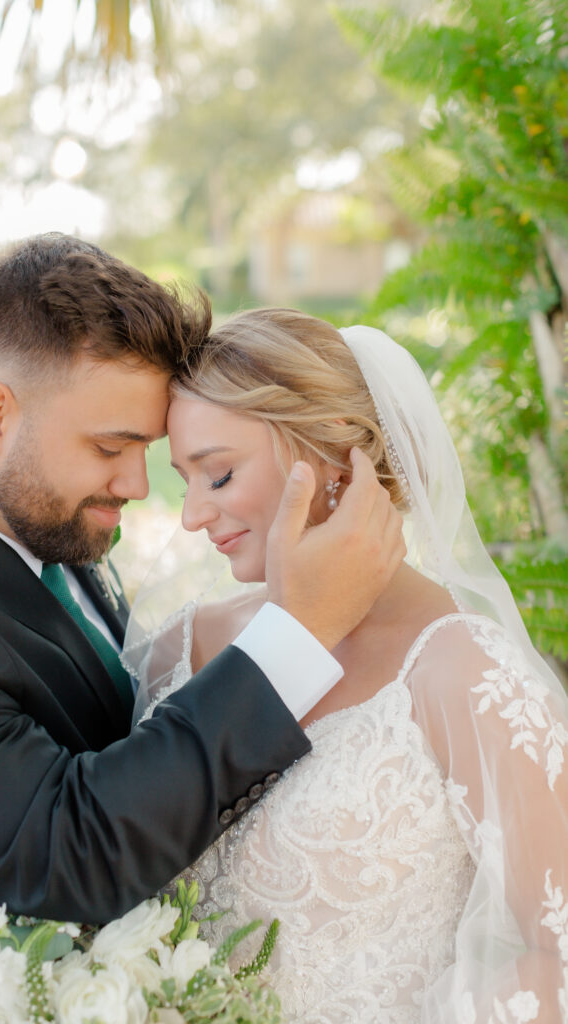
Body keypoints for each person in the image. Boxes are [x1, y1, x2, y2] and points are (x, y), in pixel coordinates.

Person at [0, 237, 406, 1023]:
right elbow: (68, 847)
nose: (135, 485)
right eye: (109, 448)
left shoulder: (47, 524)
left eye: (147, 452)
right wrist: (298, 631)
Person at [125, 308, 568, 1023]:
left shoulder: (462, 671)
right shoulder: (178, 652)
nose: (192, 517)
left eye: (219, 474)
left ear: (335, 455)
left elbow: (552, 949)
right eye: (184, 481)